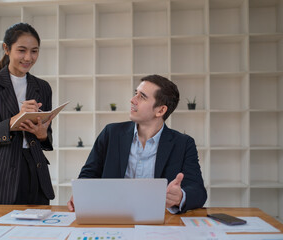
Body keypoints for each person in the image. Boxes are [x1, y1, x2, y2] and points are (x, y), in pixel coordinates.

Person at [67, 75, 207, 213]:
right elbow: (89, 175)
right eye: (136, 94)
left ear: (161, 110)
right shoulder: (111, 133)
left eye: (142, 97)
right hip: (112, 216)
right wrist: (81, 195)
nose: (132, 100)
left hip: (160, 221)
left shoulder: (183, 143)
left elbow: (198, 191)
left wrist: (180, 197)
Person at [0, 23, 55, 208]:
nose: (28, 57)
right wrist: (14, 121)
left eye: (34, 51)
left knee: (36, 235)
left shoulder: (43, 87)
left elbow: (47, 137)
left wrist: (42, 134)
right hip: (0, 175)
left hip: (35, 171)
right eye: (22, 50)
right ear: (6, 49)